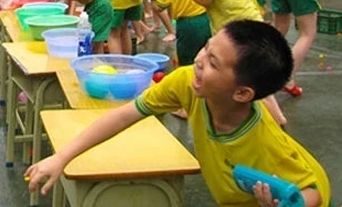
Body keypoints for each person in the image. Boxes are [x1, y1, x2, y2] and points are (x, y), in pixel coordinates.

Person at [26, 20, 331, 206]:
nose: (199, 61)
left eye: (213, 63)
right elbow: (124, 115)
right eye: (206, 49)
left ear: (241, 94)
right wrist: (62, 157)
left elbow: (312, 191)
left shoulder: (264, 143)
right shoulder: (187, 82)